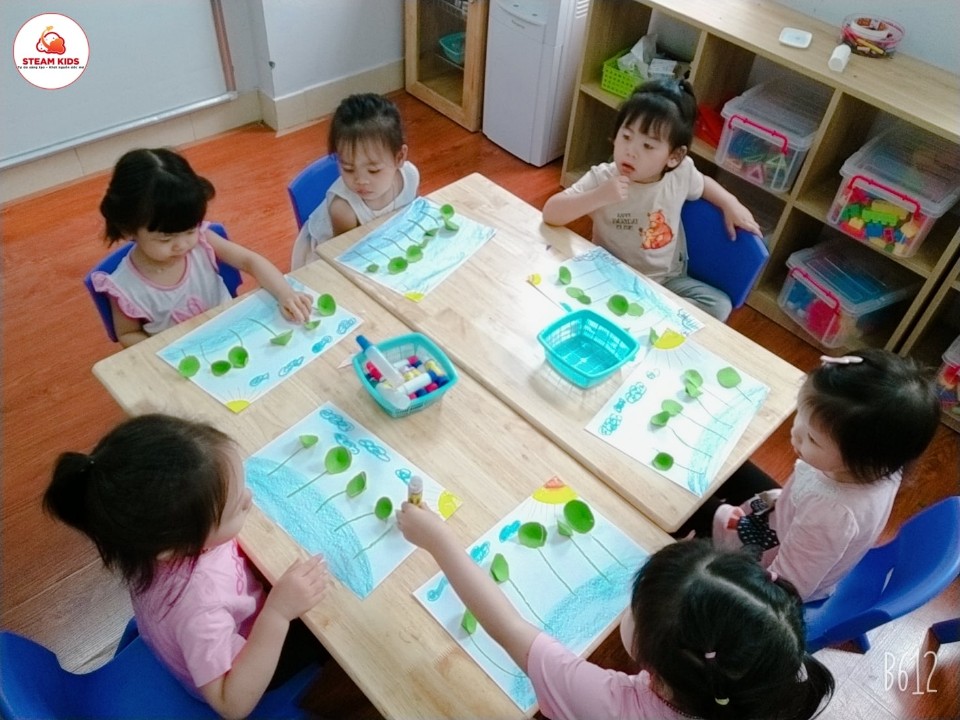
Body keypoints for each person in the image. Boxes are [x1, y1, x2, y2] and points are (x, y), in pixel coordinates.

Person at [397, 505, 834, 720]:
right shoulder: (766, 682)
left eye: (634, 607)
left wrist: (439, 541)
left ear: (653, 665)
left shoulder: (609, 703)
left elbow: (508, 627)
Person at [43, 414, 330, 719]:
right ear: (176, 547)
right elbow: (231, 704)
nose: (250, 497)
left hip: (191, 634)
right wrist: (277, 614)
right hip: (240, 665)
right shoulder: (201, 609)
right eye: (235, 508)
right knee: (327, 633)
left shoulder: (138, 543)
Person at [698, 350, 940, 602]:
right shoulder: (886, 464)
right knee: (728, 466)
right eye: (800, 414)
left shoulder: (831, 515)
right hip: (787, 513)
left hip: (766, 565)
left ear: (863, 458)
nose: (795, 433)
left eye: (812, 438)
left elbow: (785, 588)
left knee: (696, 509)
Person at [542, 78, 761, 321]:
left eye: (648, 146)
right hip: (611, 273)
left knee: (719, 305)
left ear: (674, 157)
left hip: (666, 280)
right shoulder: (604, 177)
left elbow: (703, 184)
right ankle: (646, 314)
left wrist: (730, 203)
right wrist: (598, 196)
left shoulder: (681, 173)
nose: (631, 151)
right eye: (626, 136)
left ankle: (647, 311)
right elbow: (551, 212)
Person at [92, 148, 313, 347]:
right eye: (166, 239)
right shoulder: (124, 287)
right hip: (184, 358)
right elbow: (128, 334)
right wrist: (162, 350)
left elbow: (250, 261)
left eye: (190, 230)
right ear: (128, 229)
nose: (182, 245)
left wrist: (285, 293)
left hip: (235, 334)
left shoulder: (203, 240)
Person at [291, 92, 420, 270]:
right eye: (348, 169)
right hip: (334, 259)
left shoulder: (410, 176)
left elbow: (410, 217)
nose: (360, 180)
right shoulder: (343, 210)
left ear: (399, 157)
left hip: (382, 245)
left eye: (373, 170)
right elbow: (347, 260)